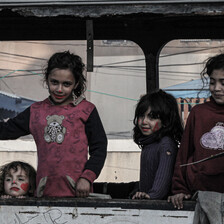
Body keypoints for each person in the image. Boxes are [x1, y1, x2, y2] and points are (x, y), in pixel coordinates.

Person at [0, 51, 107, 197]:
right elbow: (6, 130)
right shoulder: (36, 111)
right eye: (54, 82)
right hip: (43, 195)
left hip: (78, 193)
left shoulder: (86, 110)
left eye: (67, 84)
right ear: (46, 79)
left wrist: (87, 177)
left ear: (76, 84)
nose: (59, 89)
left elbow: (99, 147)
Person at [168, 53, 224, 209]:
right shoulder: (198, 113)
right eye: (212, 82)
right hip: (198, 195)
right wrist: (179, 189)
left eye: (223, 83)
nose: (216, 88)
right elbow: (183, 155)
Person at [132, 89, 183, 200]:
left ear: (166, 121)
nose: (144, 121)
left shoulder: (166, 145)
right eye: (141, 116)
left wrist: (151, 196)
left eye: (152, 117)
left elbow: (161, 185)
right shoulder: (149, 143)